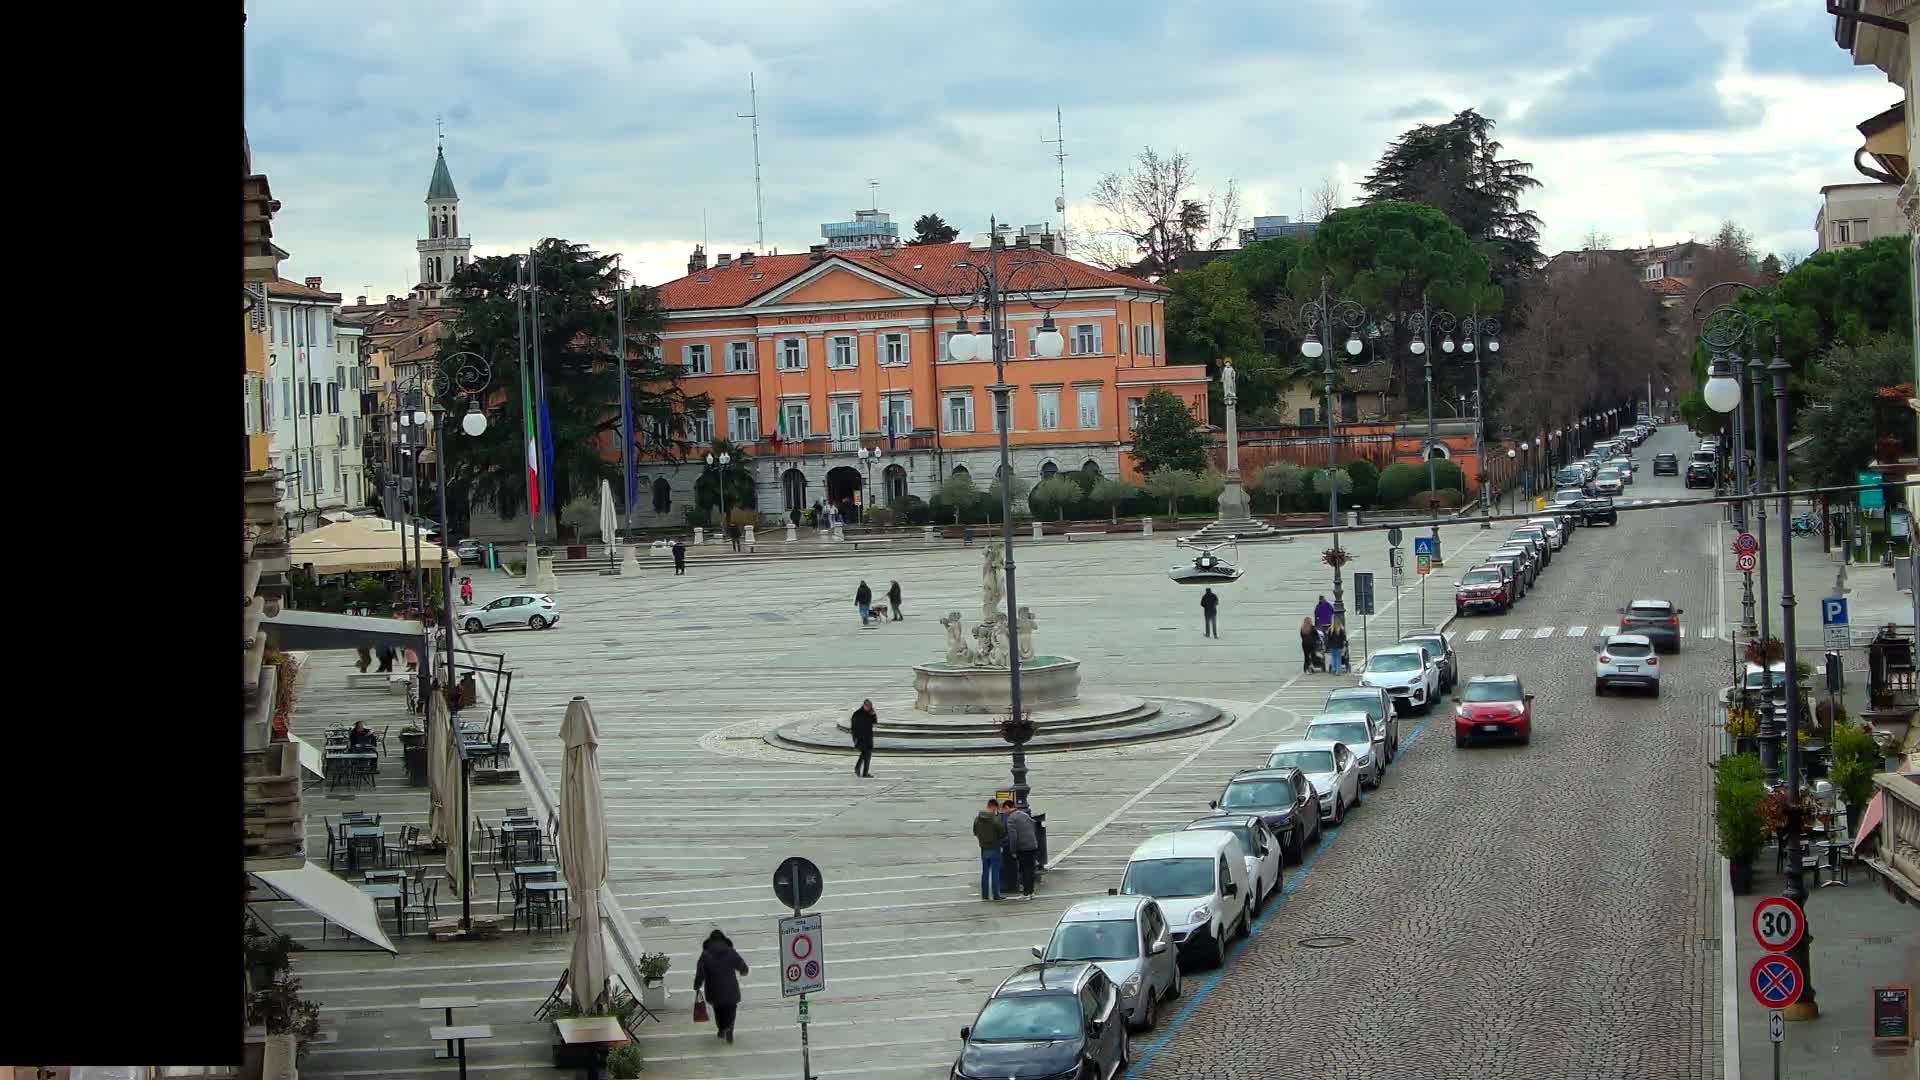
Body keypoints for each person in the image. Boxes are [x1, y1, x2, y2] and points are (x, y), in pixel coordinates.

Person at [692, 928, 750, 1043]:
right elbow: (743, 967)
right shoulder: (731, 952)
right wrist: (744, 971)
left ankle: (722, 1028)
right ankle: (729, 1031)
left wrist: (697, 985)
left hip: (714, 991)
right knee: (731, 1010)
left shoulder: (706, 954)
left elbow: (700, 973)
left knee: (718, 1011)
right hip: (731, 989)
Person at [1004, 801, 1040, 900]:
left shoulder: (1011, 819)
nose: (1004, 812)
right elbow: (1033, 824)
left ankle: (1026, 893)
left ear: (1007, 807)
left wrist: (1013, 850)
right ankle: (1031, 892)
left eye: (1004, 809)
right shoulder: (1024, 814)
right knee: (1031, 869)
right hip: (1032, 845)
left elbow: (1013, 836)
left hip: (1022, 847)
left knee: (1024, 871)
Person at [973, 799, 1007, 901]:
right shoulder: (995, 820)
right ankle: (996, 895)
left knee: (985, 871)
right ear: (994, 807)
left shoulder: (977, 819)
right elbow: (1002, 833)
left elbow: (975, 831)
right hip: (995, 847)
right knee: (995, 872)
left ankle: (985, 895)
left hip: (984, 848)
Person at [849, 699, 877, 778]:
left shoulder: (870, 713)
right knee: (865, 754)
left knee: (866, 755)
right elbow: (853, 728)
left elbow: (874, 722)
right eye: (868, 707)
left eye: (870, 707)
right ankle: (861, 770)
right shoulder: (857, 714)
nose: (869, 708)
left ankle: (860, 770)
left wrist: (873, 714)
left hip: (868, 738)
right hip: (860, 738)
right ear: (864, 705)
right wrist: (855, 739)